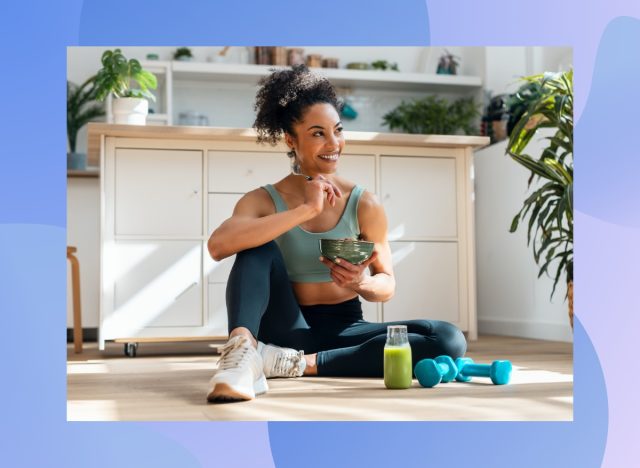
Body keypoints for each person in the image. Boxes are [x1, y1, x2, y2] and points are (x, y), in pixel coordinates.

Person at [206, 64, 467, 402]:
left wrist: (361, 283)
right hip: (283, 327)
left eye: (338, 130)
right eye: (318, 133)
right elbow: (218, 246)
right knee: (256, 247)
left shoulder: (364, 204)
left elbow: (386, 284)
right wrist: (306, 210)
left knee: (447, 339)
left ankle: (292, 364)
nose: (334, 143)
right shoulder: (262, 200)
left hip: (346, 330)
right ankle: (241, 356)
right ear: (290, 139)